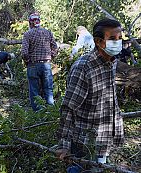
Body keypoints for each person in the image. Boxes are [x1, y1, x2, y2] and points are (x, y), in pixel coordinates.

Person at [56, 18, 124, 172]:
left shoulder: (111, 62)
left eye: (119, 38)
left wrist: (117, 130)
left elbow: (110, 99)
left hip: (104, 137)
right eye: (112, 38)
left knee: (99, 168)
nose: (118, 42)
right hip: (85, 140)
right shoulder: (84, 67)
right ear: (98, 41)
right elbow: (68, 108)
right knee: (80, 169)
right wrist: (64, 145)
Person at [21, 12, 57, 111]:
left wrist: (28, 60)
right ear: (39, 21)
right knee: (48, 89)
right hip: (46, 64)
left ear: (30, 23)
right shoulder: (48, 32)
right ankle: (51, 113)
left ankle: (38, 114)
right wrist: (51, 56)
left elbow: (24, 52)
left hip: (33, 65)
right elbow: (55, 46)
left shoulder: (27, 34)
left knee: (34, 91)